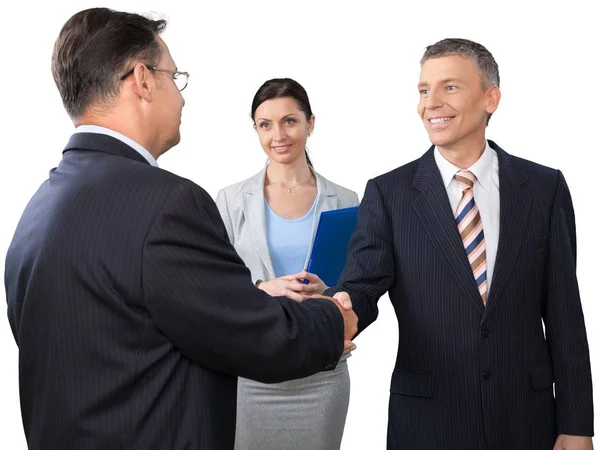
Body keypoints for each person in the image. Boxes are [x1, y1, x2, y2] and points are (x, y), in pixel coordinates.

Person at [4, 8, 357, 450]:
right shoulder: (169, 203)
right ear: (143, 80)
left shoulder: (38, 208)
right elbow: (253, 334)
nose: (182, 97)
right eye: (175, 76)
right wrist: (333, 317)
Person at [327, 38, 593, 450]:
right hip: (429, 423)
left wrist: (577, 425)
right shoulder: (389, 193)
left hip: (527, 420)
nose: (430, 102)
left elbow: (565, 315)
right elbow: (361, 287)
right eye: (423, 90)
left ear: (491, 98)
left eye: (449, 87)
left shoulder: (544, 188)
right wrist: (336, 311)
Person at [215, 78, 359, 450]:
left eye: (290, 121)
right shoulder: (231, 201)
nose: (278, 134)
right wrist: (264, 288)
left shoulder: (345, 199)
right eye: (265, 124)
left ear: (310, 123)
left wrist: (332, 297)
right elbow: (214, 289)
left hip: (322, 371)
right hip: (252, 373)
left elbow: (352, 284)